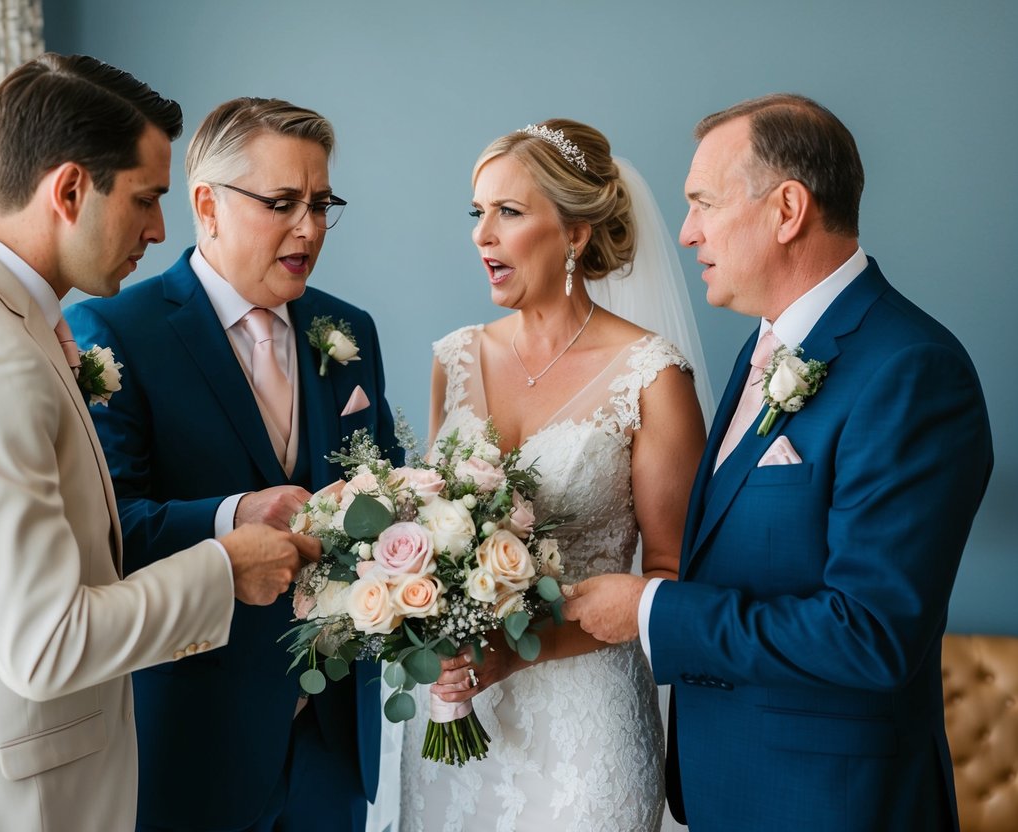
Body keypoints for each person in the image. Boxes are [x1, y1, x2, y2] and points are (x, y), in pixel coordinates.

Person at [0, 55, 317, 832]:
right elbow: (45, 645)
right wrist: (224, 569)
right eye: (146, 198)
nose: (160, 230)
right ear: (68, 190)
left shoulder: (1, 318)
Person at [563, 94, 994, 831]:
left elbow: (869, 634)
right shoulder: (762, 347)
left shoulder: (912, 370)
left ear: (787, 209)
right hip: (731, 787)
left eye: (702, 202)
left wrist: (648, 607)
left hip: (832, 805)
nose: (686, 231)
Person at [67, 97, 401, 832]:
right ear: (206, 204)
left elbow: (385, 485)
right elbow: (107, 530)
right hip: (193, 736)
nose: (308, 229)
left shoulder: (347, 330)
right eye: (281, 203)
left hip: (331, 738)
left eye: (321, 203)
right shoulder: (114, 332)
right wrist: (234, 517)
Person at [398, 120, 708, 831]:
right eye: (477, 213)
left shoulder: (650, 376)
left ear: (573, 233)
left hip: (584, 724)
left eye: (508, 212)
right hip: (456, 717)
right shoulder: (456, 358)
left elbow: (669, 576)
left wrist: (515, 652)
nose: (482, 235)